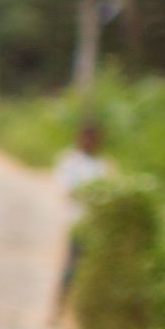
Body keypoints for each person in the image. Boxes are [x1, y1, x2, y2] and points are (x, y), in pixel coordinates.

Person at [49, 117, 112, 317]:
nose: (89, 142)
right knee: (71, 268)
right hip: (77, 221)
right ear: (80, 138)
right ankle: (58, 309)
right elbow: (65, 189)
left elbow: (108, 192)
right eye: (86, 138)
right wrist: (89, 194)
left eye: (93, 139)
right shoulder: (69, 162)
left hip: (97, 224)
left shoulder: (102, 165)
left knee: (93, 270)